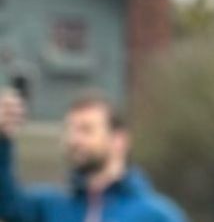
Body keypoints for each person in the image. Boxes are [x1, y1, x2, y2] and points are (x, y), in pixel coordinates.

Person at [0, 89, 185, 222]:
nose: (74, 139)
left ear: (118, 140)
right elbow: (6, 204)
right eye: (70, 129)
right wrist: (2, 137)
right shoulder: (50, 207)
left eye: (86, 130)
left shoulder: (155, 215)